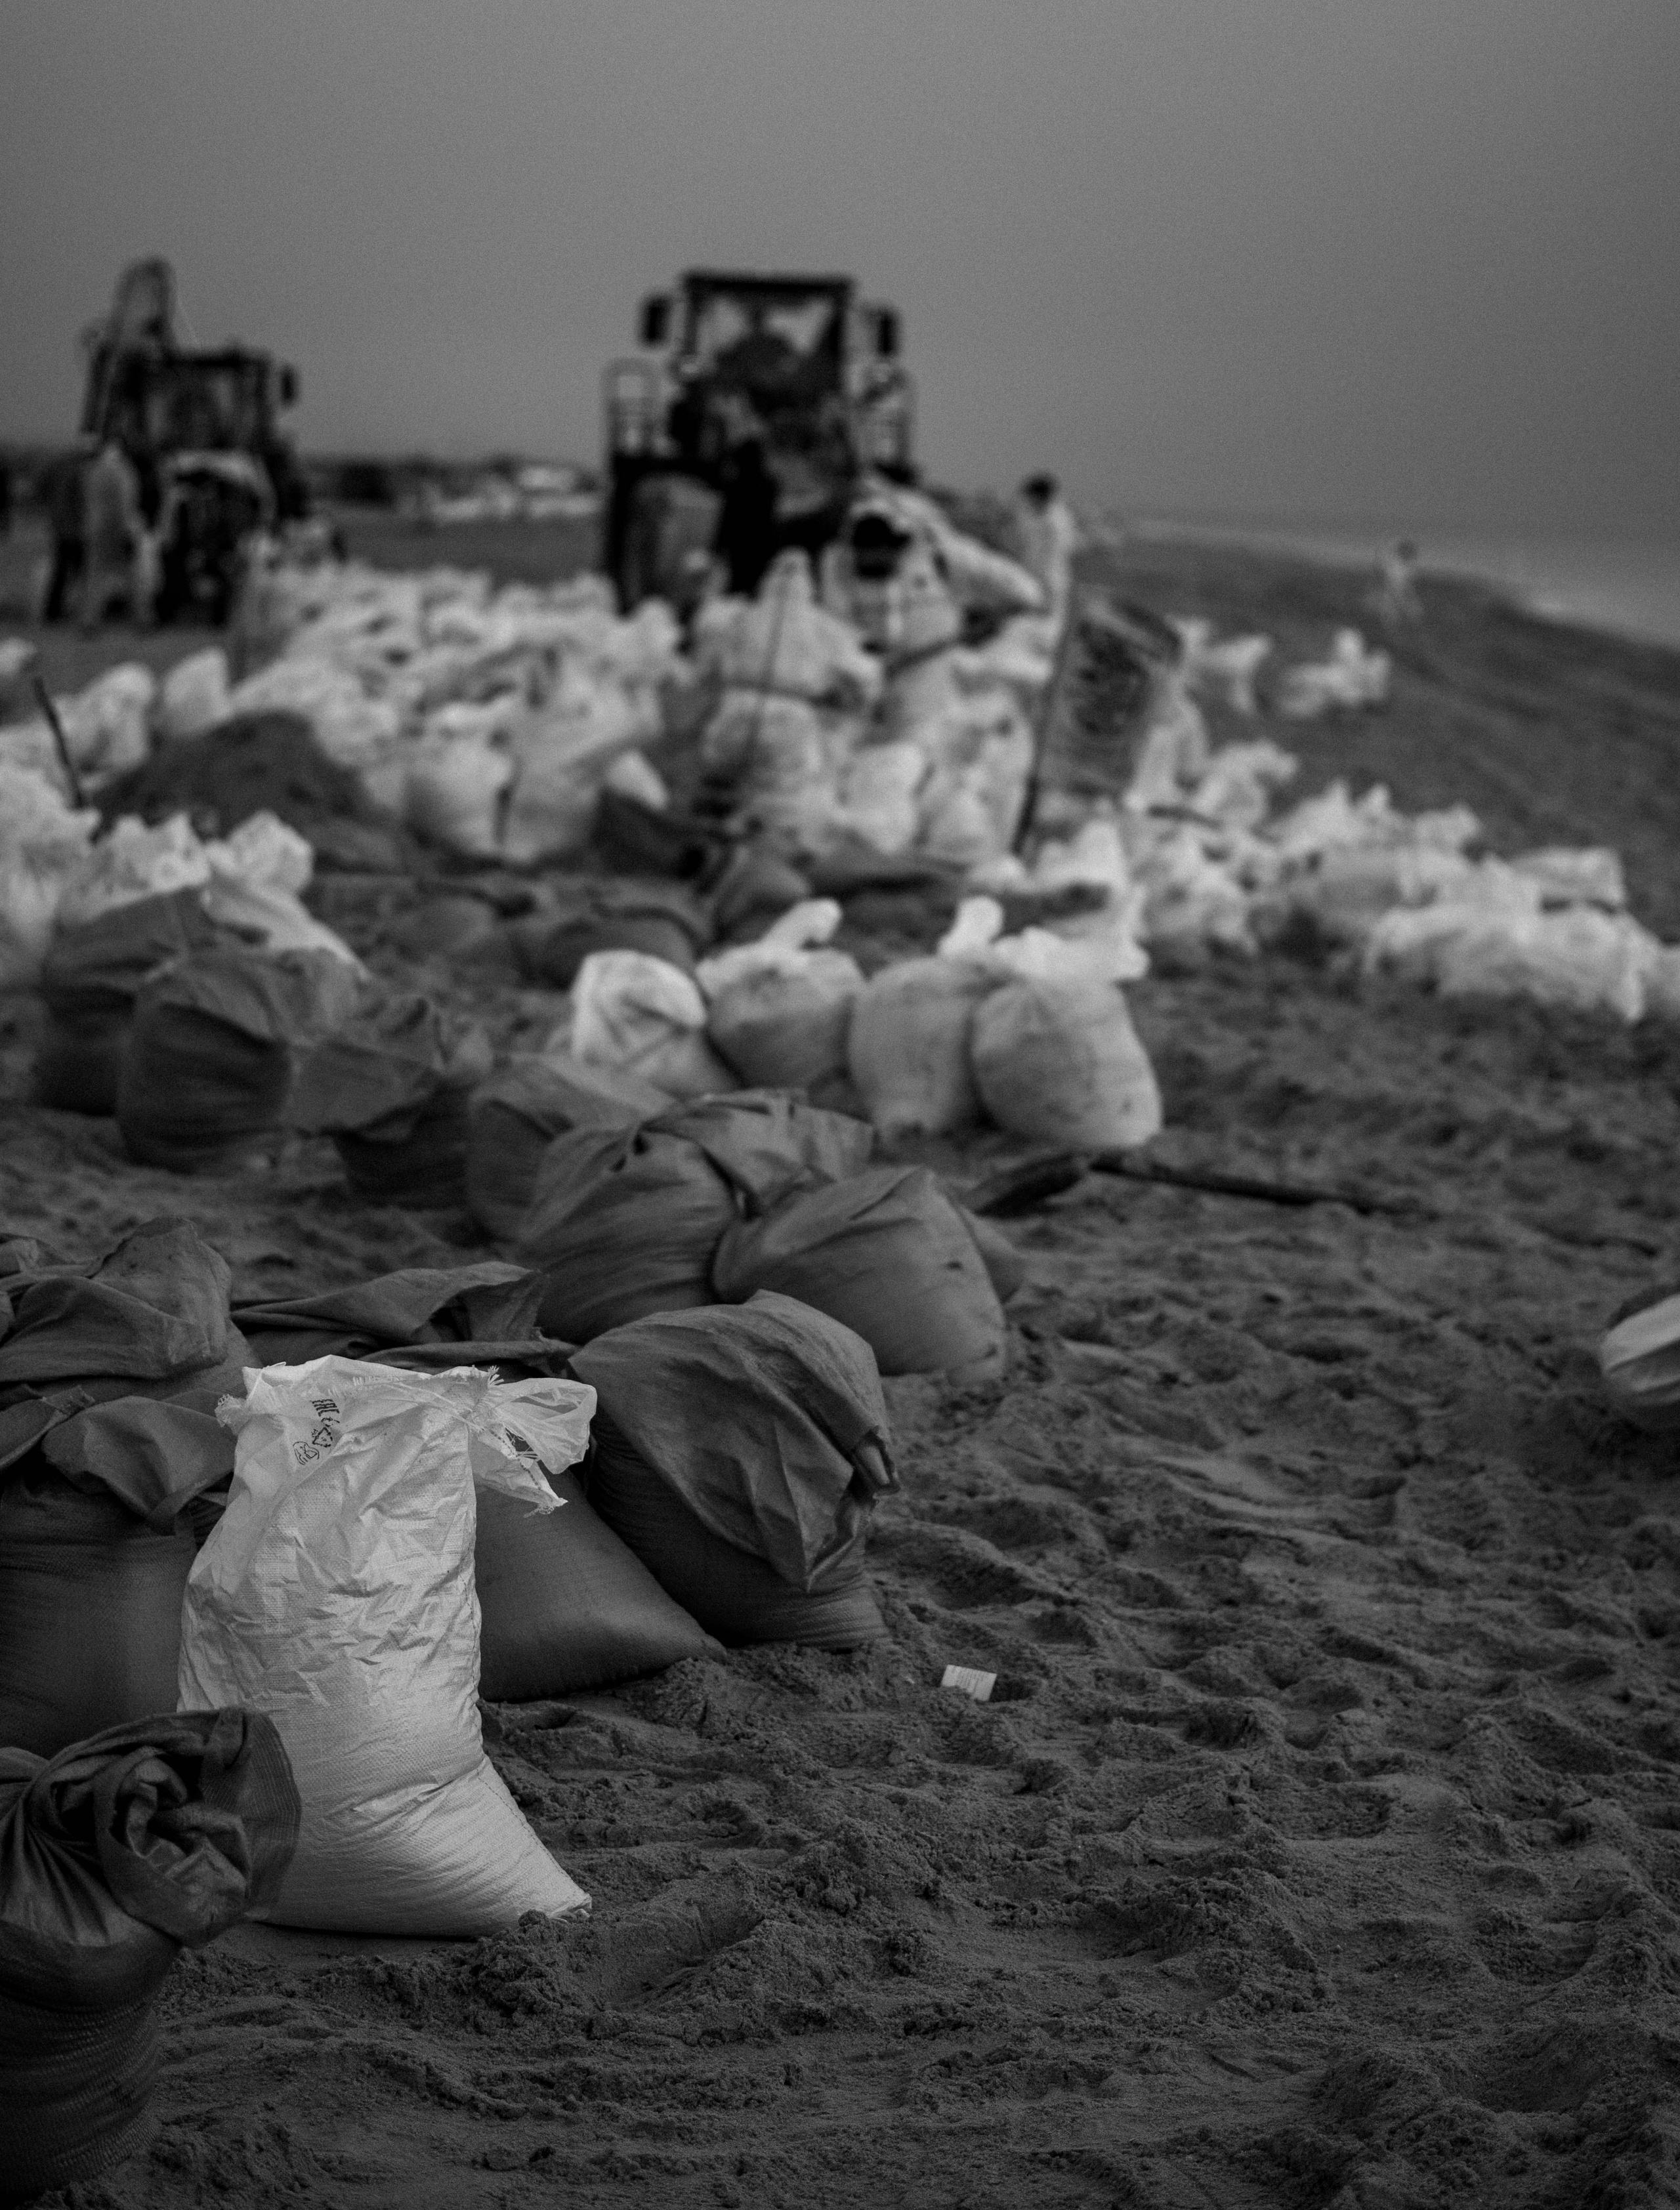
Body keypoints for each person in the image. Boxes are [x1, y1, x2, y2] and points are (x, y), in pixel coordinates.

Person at [81, 438, 144, 629]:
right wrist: (129, 529)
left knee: (95, 576)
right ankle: (142, 618)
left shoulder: (93, 471)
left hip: (96, 530)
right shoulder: (124, 471)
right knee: (133, 574)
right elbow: (127, 502)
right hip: (118, 530)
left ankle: (89, 619)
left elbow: (88, 502)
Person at [1012, 472, 1080, 631]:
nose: (1027, 503)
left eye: (1030, 498)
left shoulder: (1054, 520)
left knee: (1048, 626)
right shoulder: (1050, 516)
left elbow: (1052, 556)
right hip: (1043, 579)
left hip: (1049, 582)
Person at [1376, 537, 1422, 627]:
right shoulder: (1398, 567)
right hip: (1394, 594)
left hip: (1399, 594)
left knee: (1414, 612)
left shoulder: (1406, 568)